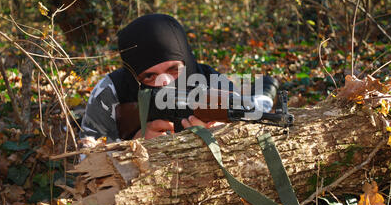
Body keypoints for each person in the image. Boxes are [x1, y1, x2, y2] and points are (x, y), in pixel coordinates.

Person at [79, 13, 277, 144]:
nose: (164, 82)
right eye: (149, 76)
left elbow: (251, 142)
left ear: (188, 61)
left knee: (261, 104)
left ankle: (268, 85)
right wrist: (132, 145)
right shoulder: (111, 91)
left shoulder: (213, 83)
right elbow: (86, 160)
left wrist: (219, 137)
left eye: (173, 69)